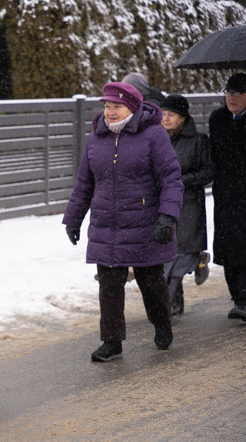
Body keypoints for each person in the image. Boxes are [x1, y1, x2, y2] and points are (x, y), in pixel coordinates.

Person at [63, 82, 183, 362]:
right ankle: (112, 341)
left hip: (145, 221)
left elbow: (170, 179)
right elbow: (84, 182)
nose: (110, 112)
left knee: (151, 282)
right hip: (107, 223)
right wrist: (73, 219)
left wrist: (167, 216)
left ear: (132, 107)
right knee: (109, 284)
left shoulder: (153, 135)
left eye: (116, 106)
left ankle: (162, 324)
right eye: (106, 106)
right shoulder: (96, 138)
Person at [160, 94, 215, 316]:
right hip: (163, 204)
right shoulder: (156, 139)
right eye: (163, 114)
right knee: (167, 253)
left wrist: (182, 181)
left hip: (189, 204)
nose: (165, 118)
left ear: (182, 117)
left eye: (170, 114)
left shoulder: (198, 141)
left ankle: (168, 302)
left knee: (181, 254)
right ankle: (174, 303)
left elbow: (209, 171)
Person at [208, 72, 246, 322]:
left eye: (237, 93)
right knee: (228, 246)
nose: (231, 98)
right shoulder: (218, 118)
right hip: (226, 193)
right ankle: (239, 298)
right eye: (228, 92)